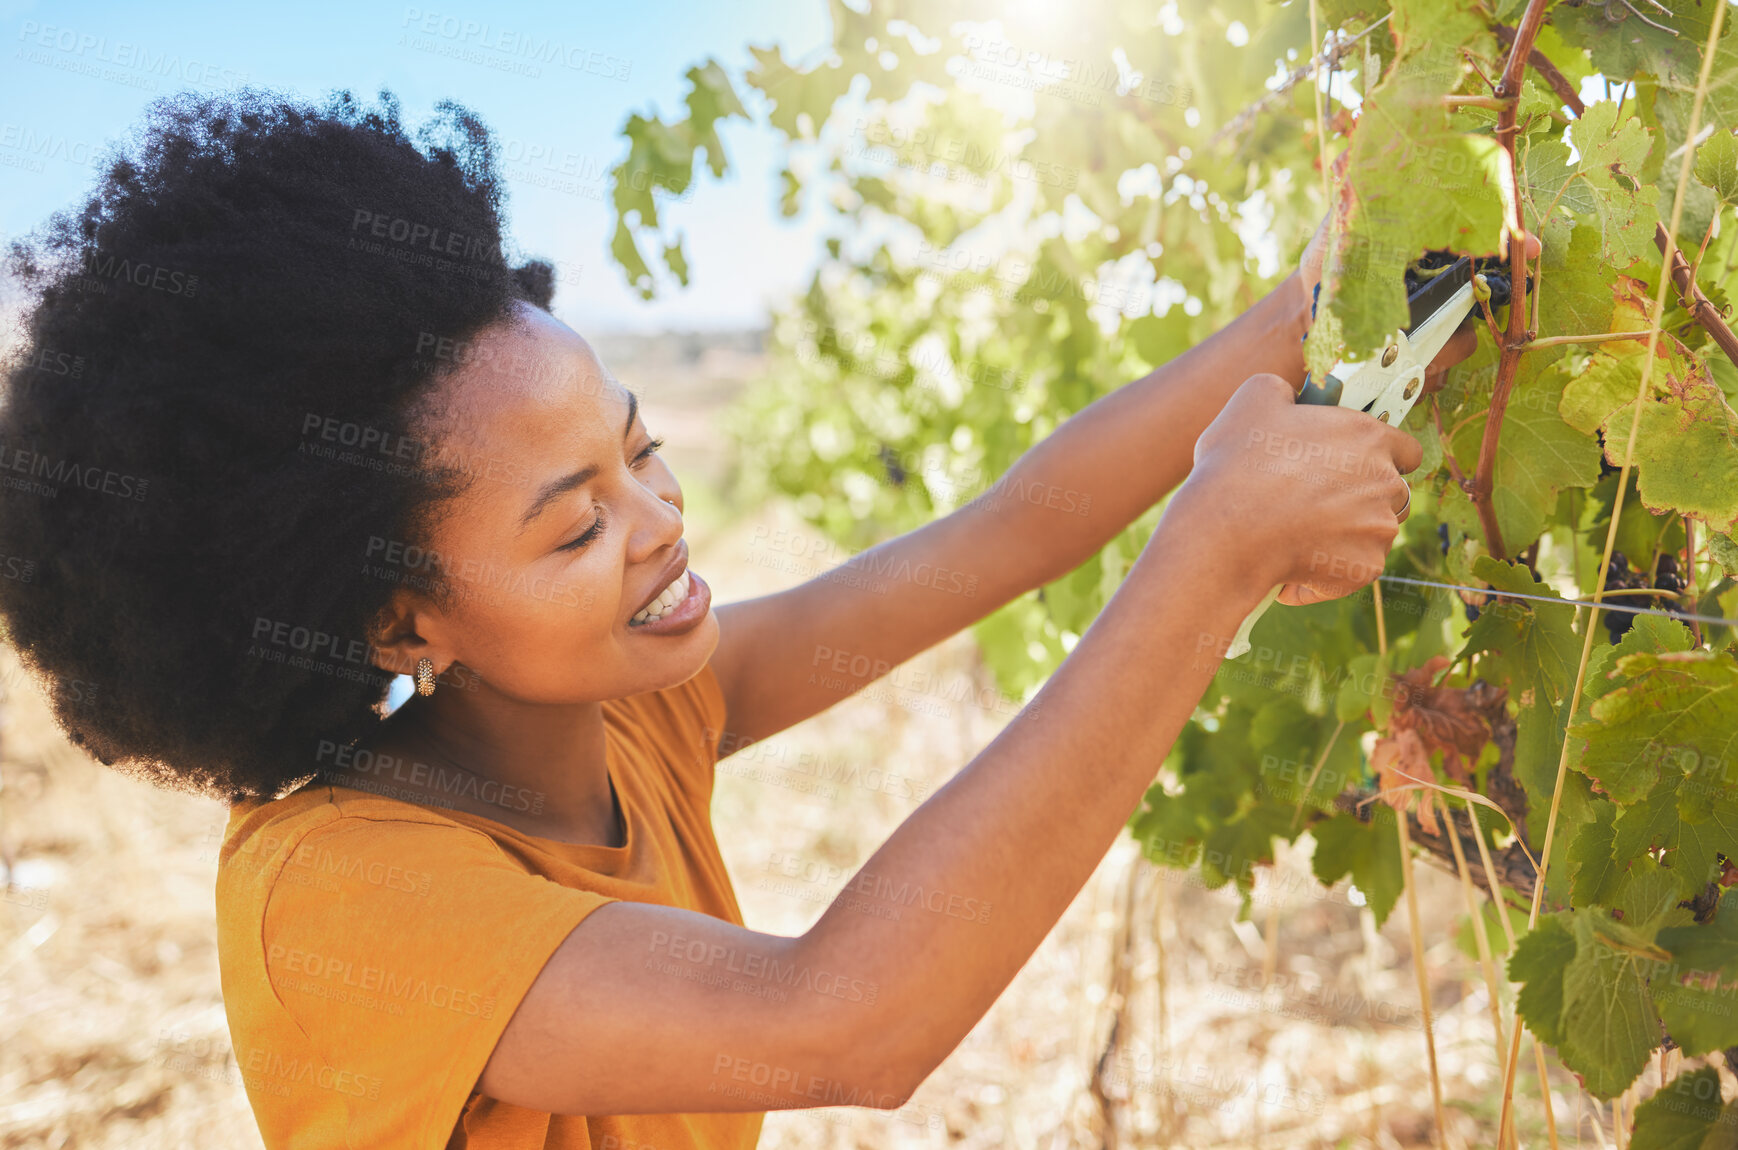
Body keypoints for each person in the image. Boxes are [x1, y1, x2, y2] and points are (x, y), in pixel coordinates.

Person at [0, 89, 1483, 1149]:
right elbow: (846, 1024)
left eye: (638, 451)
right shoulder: (336, 899)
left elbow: (1010, 529)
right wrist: (1210, 557)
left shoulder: (633, 708)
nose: (657, 520)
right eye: (575, 521)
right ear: (395, 623)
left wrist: (1311, 308)